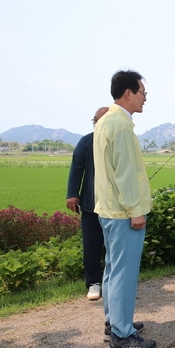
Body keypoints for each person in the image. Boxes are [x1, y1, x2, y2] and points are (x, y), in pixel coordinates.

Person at [93, 70, 155, 348]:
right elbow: (126, 174)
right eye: (143, 92)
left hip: (108, 210)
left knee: (112, 269)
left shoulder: (106, 121)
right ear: (128, 93)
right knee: (123, 274)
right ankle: (121, 334)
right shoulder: (119, 124)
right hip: (122, 212)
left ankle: (113, 321)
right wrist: (135, 210)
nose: (145, 98)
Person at [66, 106, 109, 301]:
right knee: (91, 245)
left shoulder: (119, 140)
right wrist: (72, 194)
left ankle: (113, 283)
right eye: (96, 120)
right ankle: (93, 282)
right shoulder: (86, 141)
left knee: (115, 246)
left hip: (115, 206)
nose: (98, 123)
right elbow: (76, 169)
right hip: (91, 204)